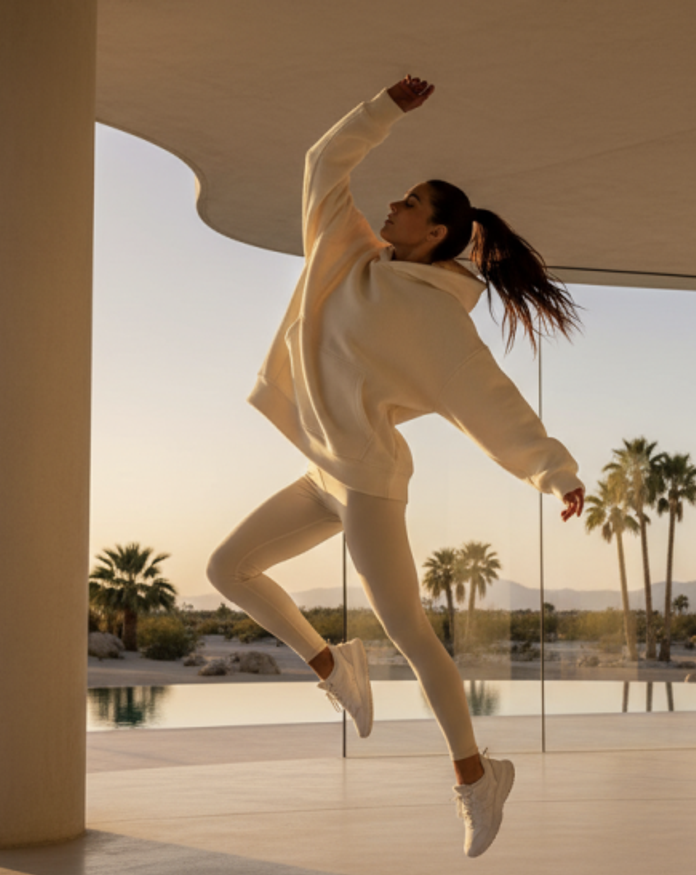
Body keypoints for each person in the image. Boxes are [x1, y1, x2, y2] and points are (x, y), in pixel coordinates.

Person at [207, 76, 585, 858]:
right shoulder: (348, 251)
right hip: (325, 469)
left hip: (369, 481)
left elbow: (492, 402)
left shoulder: (437, 320)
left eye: (410, 202)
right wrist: (381, 111)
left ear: (439, 230)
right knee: (226, 568)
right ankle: (332, 662)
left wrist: (554, 471)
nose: (392, 206)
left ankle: (479, 777)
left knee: (413, 636)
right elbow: (322, 162)